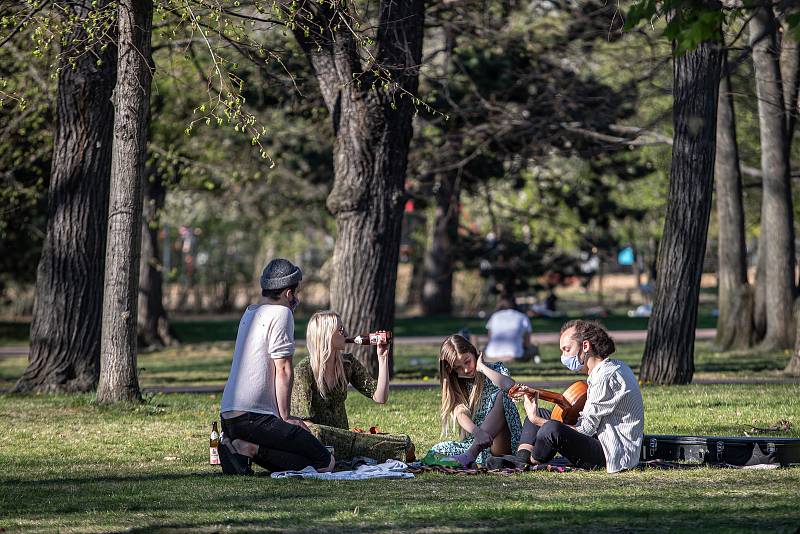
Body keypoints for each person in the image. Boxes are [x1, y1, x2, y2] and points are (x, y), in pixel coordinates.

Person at [217, 258, 334, 475]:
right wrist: (287, 416)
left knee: (301, 454)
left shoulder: (250, 313)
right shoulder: (281, 313)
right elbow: (283, 368)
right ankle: (249, 449)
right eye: (295, 294)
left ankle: (238, 446)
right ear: (288, 293)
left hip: (229, 418)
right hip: (254, 418)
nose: (296, 300)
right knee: (324, 462)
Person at [516, 320, 644, 473]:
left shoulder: (606, 377)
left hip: (613, 453)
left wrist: (537, 420)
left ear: (585, 346)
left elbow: (585, 430)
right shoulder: (610, 368)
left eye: (567, 349)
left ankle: (531, 461)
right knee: (543, 414)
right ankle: (521, 460)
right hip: (601, 438)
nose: (564, 357)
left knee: (550, 427)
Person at [291, 311, 415, 462]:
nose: (346, 333)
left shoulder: (347, 364)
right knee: (316, 431)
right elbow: (305, 425)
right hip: (318, 443)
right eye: (341, 330)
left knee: (401, 442)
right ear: (326, 335)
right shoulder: (304, 371)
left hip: (347, 440)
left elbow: (380, 397)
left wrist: (382, 358)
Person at [427, 334, 523, 466]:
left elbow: (510, 386)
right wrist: (478, 433)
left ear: (474, 352)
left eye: (467, 361)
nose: (465, 369)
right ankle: (472, 456)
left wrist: (482, 368)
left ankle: (471, 454)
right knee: (436, 450)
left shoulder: (495, 370)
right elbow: (460, 413)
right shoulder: (459, 384)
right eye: (458, 367)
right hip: (479, 438)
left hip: (503, 441)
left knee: (502, 394)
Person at [484, 297, 538, 362]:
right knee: (534, 348)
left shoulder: (495, 316)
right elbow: (527, 343)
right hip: (516, 356)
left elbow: (490, 338)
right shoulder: (522, 317)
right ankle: (537, 361)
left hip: (492, 356)